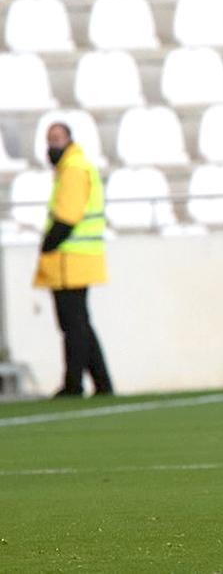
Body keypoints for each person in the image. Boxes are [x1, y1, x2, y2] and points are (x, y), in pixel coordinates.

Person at [35, 123, 112, 398]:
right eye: (48, 140)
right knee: (80, 323)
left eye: (56, 139)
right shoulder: (72, 167)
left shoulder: (73, 169)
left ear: (69, 139)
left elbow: (67, 216)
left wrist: (47, 245)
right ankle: (103, 383)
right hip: (78, 258)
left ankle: (73, 384)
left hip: (71, 259)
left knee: (73, 325)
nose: (51, 146)